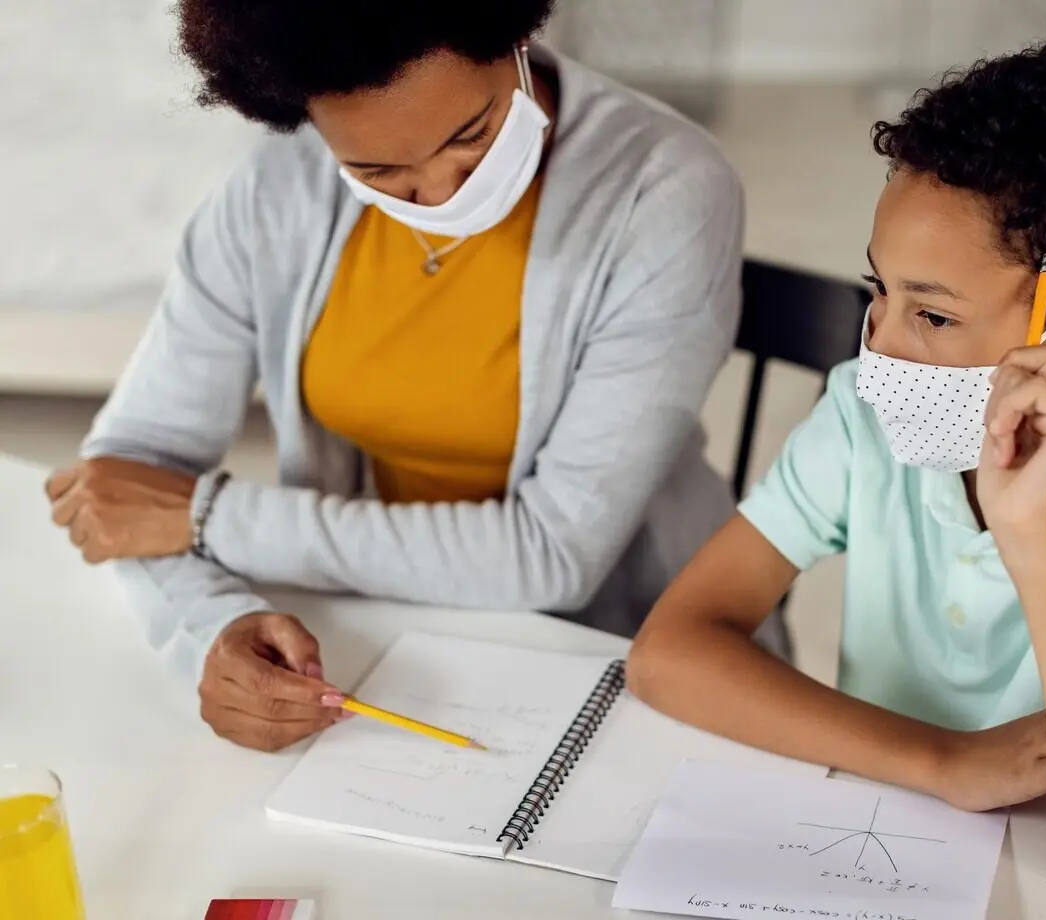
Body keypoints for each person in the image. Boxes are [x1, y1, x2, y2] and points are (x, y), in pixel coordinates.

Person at [44, 0, 778, 752]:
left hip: (632, 654)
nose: (444, 192)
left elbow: (555, 556)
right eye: (378, 170)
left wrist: (212, 520)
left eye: (473, 134)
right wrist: (212, 626)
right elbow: (125, 483)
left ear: (518, 37)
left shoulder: (666, 189)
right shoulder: (274, 193)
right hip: (386, 636)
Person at [627, 39, 1046, 907]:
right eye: (878, 291)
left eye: (933, 314)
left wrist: (1035, 544)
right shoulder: (860, 417)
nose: (877, 344)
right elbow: (667, 656)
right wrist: (945, 760)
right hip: (867, 831)